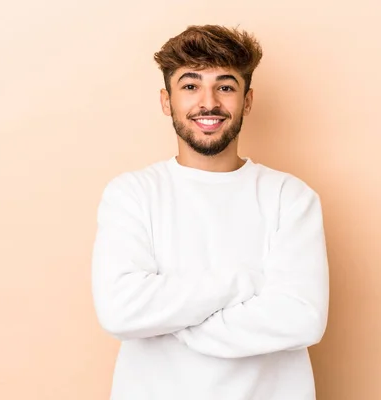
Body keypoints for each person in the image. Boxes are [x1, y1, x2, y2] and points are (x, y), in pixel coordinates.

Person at [91, 24, 329, 400]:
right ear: (166, 101)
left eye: (225, 86)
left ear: (247, 101)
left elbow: (302, 319)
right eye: (190, 86)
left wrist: (172, 322)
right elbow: (120, 310)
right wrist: (244, 284)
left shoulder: (290, 197)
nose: (209, 103)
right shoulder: (132, 194)